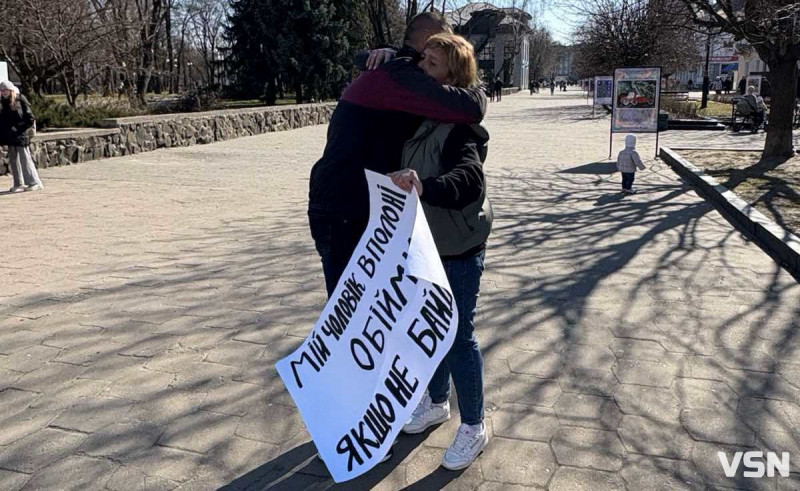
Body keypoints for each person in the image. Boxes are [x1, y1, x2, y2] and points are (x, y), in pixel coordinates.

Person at [307, 12, 486, 297]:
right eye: (448, 35)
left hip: (356, 208)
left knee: (365, 315)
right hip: (344, 212)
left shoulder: (398, 69)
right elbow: (472, 107)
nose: (453, 39)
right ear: (429, 40)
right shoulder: (401, 76)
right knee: (348, 318)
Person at [387, 33, 491, 472]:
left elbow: (471, 181)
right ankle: (435, 402)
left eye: (431, 64)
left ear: (451, 77)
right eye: (422, 59)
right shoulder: (422, 119)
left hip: (459, 247)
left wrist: (425, 186)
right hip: (426, 244)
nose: (421, 69)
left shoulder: (459, 128)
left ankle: (475, 425)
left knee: (457, 336)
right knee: (429, 327)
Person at [0, 81, 42, 193]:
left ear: (11, 90)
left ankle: (34, 182)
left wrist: (17, 128)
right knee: (13, 161)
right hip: (10, 136)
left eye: (5, 90)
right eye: (2, 90)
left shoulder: (19, 100)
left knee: (25, 159)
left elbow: (29, 119)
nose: (3, 92)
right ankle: (18, 183)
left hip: (21, 135)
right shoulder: (3, 103)